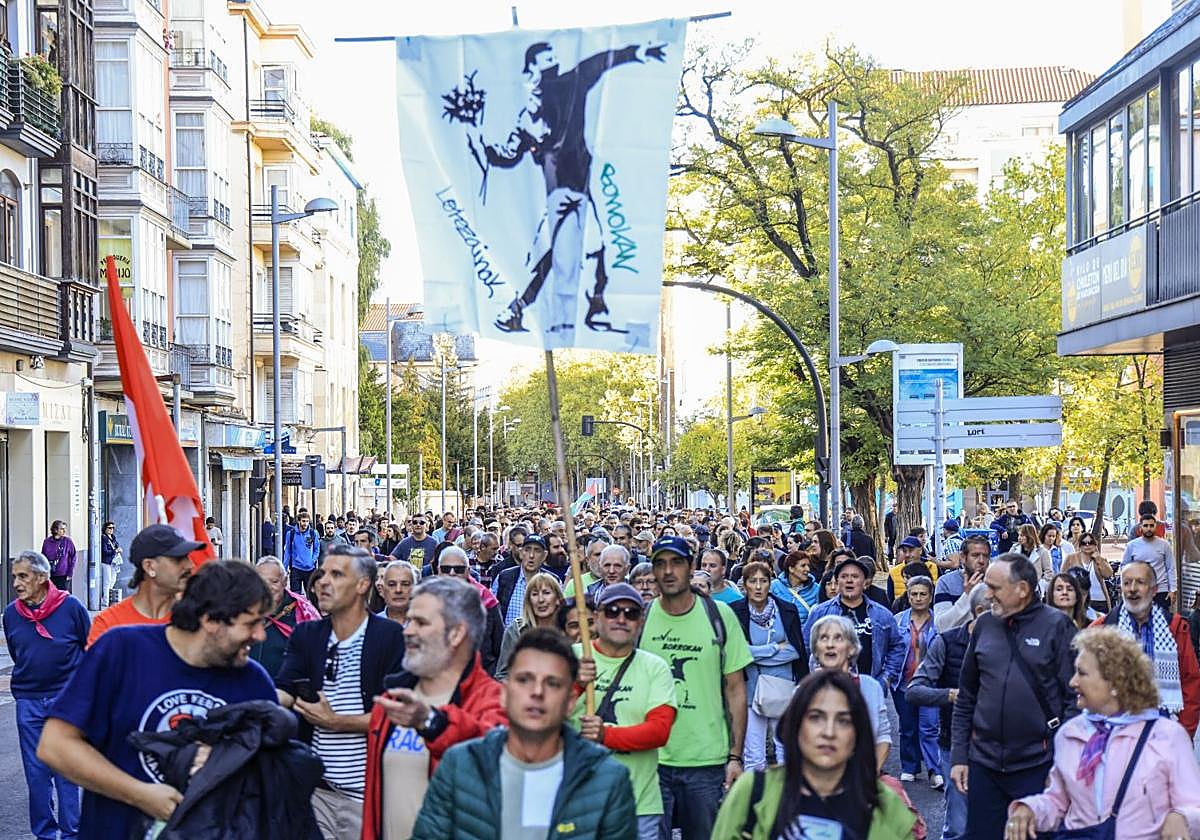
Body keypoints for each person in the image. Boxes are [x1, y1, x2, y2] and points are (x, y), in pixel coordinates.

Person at [37, 560, 278, 839]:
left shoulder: (254, 682)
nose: (261, 635)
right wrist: (139, 794)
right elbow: (55, 746)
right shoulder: (121, 650)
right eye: (251, 623)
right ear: (210, 620)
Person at [411, 629, 637, 839]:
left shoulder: (606, 780)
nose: (537, 692)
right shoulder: (460, 767)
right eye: (524, 680)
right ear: (504, 693)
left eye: (552, 683)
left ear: (570, 701)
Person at [1005, 627, 1200, 840]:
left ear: (1115, 681)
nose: (1073, 682)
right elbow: (1057, 802)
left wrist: (1180, 817)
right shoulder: (1070, 734)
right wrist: (1029, 809)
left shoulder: (1167, 737)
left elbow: (1194, 806)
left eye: (1082, 673)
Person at [275, 544, 407, 840]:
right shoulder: (307, 635)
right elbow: (284, 690)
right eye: (322, 574)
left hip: (368, 795)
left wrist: (337, 722)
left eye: (336, 575)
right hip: (316, 792)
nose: (323, 582)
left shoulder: (389, 638)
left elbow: (396, 714)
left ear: (363, 585)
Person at [362, 576, 507, 840]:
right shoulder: (392, 700)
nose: (407, 630)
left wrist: (433, 723)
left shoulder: (495, 702)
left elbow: (493, 756)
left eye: (421, 622)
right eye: (409, 619)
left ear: (456, 633)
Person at [950, 553, 1079, 840]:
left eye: (995, 588)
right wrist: (960, 756)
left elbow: (1075, 702)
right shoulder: (984, 625)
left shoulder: (1058, 626)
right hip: (984, 764)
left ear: (1022, 589)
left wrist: (1061, 765)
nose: (987, 594)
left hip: (1038, 765)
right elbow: (967, 696)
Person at [710, 670, 920, 840]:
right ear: (796, 727)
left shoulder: (887, 807)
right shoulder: (753, 793)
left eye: (843, 721)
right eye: (816, 717)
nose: (828, 732)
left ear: (858, 735)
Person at [638, 535, 752, 839]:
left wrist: (736, 756)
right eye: (660, 564)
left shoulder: (720, 616)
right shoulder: (642, 618)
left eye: (676, 562)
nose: (668, 571)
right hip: (651, 760)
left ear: (691, 567)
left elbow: (736, 690)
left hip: (706, 760)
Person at [573, 583, 677, 840]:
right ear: (596, 617)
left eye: (631, 613)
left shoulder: (655, 667)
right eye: (612, 611)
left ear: (640, 622)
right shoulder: (570, 657)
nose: (621, 618)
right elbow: (541, 718)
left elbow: (659, 731)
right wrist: (574, 685)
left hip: (637, 806)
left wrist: (605, 735)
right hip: (575, 802)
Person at [4, 550, 89, 840]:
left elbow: (88, 647)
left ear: (42, 578)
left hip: (66, 700)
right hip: (28, 701)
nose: (16, 582)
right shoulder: (11, 614)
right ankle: (44, 834)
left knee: (66, 773)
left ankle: (71, 834)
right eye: (14, 576)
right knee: (36, 774)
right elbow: (19, 654)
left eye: (23, 576)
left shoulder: (71, 607)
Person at [908, 584, 992, 840]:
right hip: (956, 745)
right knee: (958, 823)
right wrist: (951, 695)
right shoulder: (947, 642)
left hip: (1000, 747)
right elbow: (915, 690)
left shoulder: (1014, 641)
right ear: (979, 610)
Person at [1094, 560, 1200, 738]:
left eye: (1140, 582)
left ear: (1154, 589)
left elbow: (1191, 681)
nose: (1132, 588)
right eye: (1126, 583)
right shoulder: (1101, 629)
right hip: (1114, 733)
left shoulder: (1174, 627)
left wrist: (1184, 732)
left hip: (1164, 729)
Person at [730, 560, 807, 771]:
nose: (757, 586)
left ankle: (787, 800)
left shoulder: (786, 610)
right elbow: (738, 653)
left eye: (763, 581)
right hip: (750, 689)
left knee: (786, 751)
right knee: (753, 754)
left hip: (783, 686)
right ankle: (755, 799)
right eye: (752, 581)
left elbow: (795, 650)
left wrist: (754, 653)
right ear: (744, 585)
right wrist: (774, 648)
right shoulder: (735, 611)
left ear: (770, 583)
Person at [87, 524, 203, 648]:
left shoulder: (199, 619)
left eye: (187, 557)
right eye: (178, 559)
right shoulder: (108, 625)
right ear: (149, 566)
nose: (190, 565)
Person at [804, 555, 905, 692]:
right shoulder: (821, 612)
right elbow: (807, 645)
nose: (849, 580)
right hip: (830, 687)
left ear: (865, 582)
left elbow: (897, 646)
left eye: (855, 576)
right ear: (837, 581)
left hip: (870, 687)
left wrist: (886, 678)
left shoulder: (882, 614)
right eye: (844, 576)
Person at [808, 614, 893, 768]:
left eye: (838, 638)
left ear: (851, 648)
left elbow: (883, 738)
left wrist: (868, 776)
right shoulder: (804, 692)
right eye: (824, 638)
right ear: (815, 650)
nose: (830, 645)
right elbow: (788, 744)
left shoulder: (870, 687)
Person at [893, 576, 942, 788]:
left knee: (930, 727)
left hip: (930, 684)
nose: (918, 598)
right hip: (903, 682)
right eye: (914, 594)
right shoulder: (897, 620)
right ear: (908, 595)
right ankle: (909, 767)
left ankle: (935, 770)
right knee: (907, 727)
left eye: (923, 594)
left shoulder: (939, 621)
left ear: (930, 597)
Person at [249, 555, 321, 678]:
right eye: (263, 582)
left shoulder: (303, 612)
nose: (268, 588)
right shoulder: (245, 610)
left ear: (285, 581)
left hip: (288, 691)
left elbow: (317, 654)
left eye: (274, 582)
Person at [496, 571, 564, 681]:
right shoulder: (516, 630)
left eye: (546, 593)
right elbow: (503, 675)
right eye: (535, 594)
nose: (540, 600)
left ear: (558, 599)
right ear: (529, 600)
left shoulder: (568, 630)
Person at [934, 535, 992, 632]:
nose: (981, 561)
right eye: (975, 555)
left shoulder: (995, 582)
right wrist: (967, 595)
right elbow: (941, 626)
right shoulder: (946, 582)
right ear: (963, 557)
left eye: (985, 556)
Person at [493, 534, 550, 626]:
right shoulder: (504, 577)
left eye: (537, 551)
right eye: (527, 550)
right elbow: (493, 612)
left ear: (544, 555)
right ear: (521, 553)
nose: (531, 555)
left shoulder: (551, 581)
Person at [1123, 513, 1176, 609]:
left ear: (1155, 526)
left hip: (1161, 591)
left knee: (1162, 621)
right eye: (1146, 525)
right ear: (1140, 527)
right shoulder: (1131, 546)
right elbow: (1124, 567)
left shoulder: (1164, 545)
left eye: (1151, 525)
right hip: (1139, 591)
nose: (1149, 528)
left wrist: (1173, 590)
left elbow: (1171, 567)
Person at [1061, 532, 1113, 614]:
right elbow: (1063, 577)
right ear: (1080, 545)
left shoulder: (1100, 559)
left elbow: (1108, 574)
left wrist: (1098, 559)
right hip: (1079, 601)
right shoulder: (1071, 558)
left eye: (1090, 543)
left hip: (1100, 600)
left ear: (1095, 544)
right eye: (1084, 543)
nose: (1087, 545)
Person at [770, 547, 822, 625]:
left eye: (808, 565)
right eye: (803, 565)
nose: (807, 569)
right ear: (791, 568)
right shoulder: (774, 586)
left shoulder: (816, 589)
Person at [887, 536, 939, 602]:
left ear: (920, 550)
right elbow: (890, 599)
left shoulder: (933, 567)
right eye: (904, 551)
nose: (907, 555)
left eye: (911, 550)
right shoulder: (894, 572)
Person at [283, 511, 321, 593]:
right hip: (296, 569)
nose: (305, 523)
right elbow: (287, 552)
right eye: (303, 521)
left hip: (310, 569)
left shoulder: (313, 533)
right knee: (296, 597)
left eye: (307, 521)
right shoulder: (291, 534)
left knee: (311, 596)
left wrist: (312, 561)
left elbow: (317, 549)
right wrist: (284, 569)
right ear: (299, 521)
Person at [377, 560, 420, 625]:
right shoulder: (369, 626)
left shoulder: (427, 624)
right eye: (392, 584)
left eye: (405, 584)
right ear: (382, 590)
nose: (398, 590)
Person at [41, 520, 77, 591]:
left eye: (64, 529)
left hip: (63, 575)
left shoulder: (67, 541)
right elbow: (43, 558)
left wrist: (70, 573)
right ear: (55, 530)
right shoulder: (47, 542)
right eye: (61, 529)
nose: (64, 531)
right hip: (50, 574)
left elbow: (73, 557)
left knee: (62, 596)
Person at [99, 521, 122, 608]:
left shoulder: (113, 537)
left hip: (114, 562)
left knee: (113, 580)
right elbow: (104, 551)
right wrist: (114, 551)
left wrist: (118, 549)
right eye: (109, 528)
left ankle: (108, 597)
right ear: (105, 528)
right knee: (107, 581)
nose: (111, 530)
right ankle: (105, 600)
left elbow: (116, 545)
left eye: (113, 528)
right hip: (106, 562)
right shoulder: (103, 538)